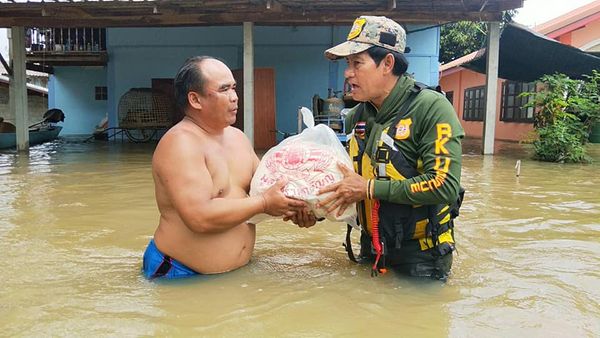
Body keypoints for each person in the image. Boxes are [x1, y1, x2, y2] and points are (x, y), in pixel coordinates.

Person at [318, 16, 465, 280]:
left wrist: (369, 188)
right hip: (369, 245)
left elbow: (445, 184)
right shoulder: (357, 116)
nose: (348, 73)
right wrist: (313, 207)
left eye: (357, 63)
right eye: (347, 64)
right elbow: (345, 181)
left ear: (387, 63)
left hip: (420, 257)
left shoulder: (431, 108)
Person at [142, 56, 315, 279]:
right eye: (224, 90)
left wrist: (302, 208)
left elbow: (269, 188)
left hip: (234, 276)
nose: (234, 97)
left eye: (234, 88)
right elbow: (199, 217)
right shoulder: (180, 144)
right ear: (195, 100)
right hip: (180, 274)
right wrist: (264, 203)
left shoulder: (238, 138)